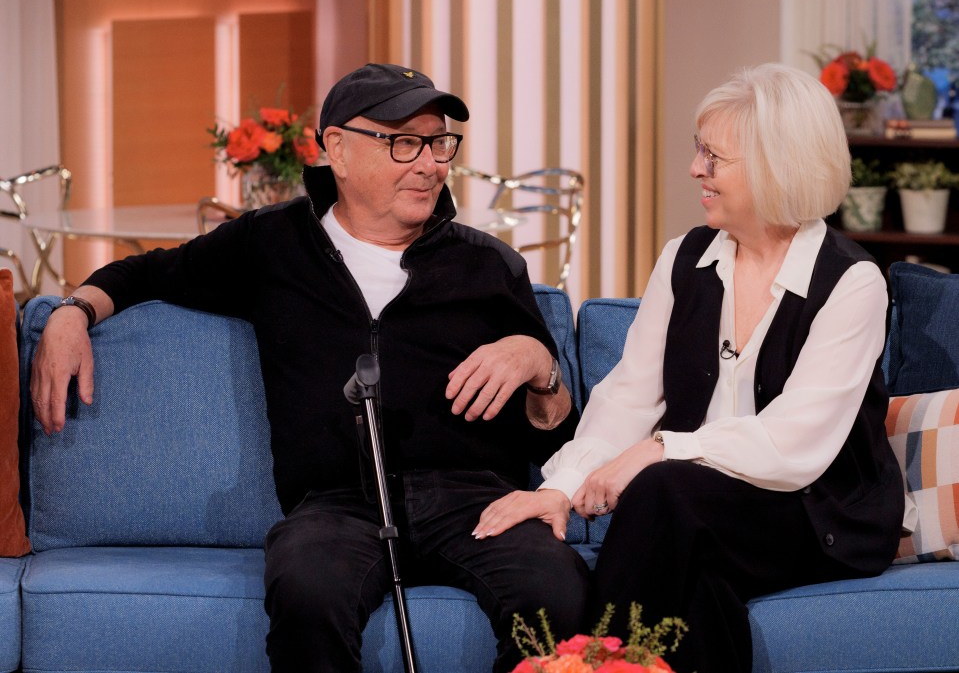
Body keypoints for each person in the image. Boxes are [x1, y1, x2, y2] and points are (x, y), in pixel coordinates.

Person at [30, 63, 589, 673]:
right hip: (338, 503)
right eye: (404, 142)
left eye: (439, 142)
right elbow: (144, 272)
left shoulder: (490, 264)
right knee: (307, 591)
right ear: (338, 151)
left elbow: (557, 430)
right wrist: (70, 313)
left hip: (476, 498)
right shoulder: (272, 244)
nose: (429, 163)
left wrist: (542, 367)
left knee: (557, 593)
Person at [473, 63, 905, 673]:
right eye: (698, 150)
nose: (695, 169)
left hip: (817, 514)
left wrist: (660, 450)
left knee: (664, 491)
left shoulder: (851, 282)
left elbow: (794, 443)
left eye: (713, 157)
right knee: (698, 588)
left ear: (775, 164)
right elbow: (628, 396)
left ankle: (582, 664)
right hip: (701, 510)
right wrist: (561, 488)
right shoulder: (685, 258)